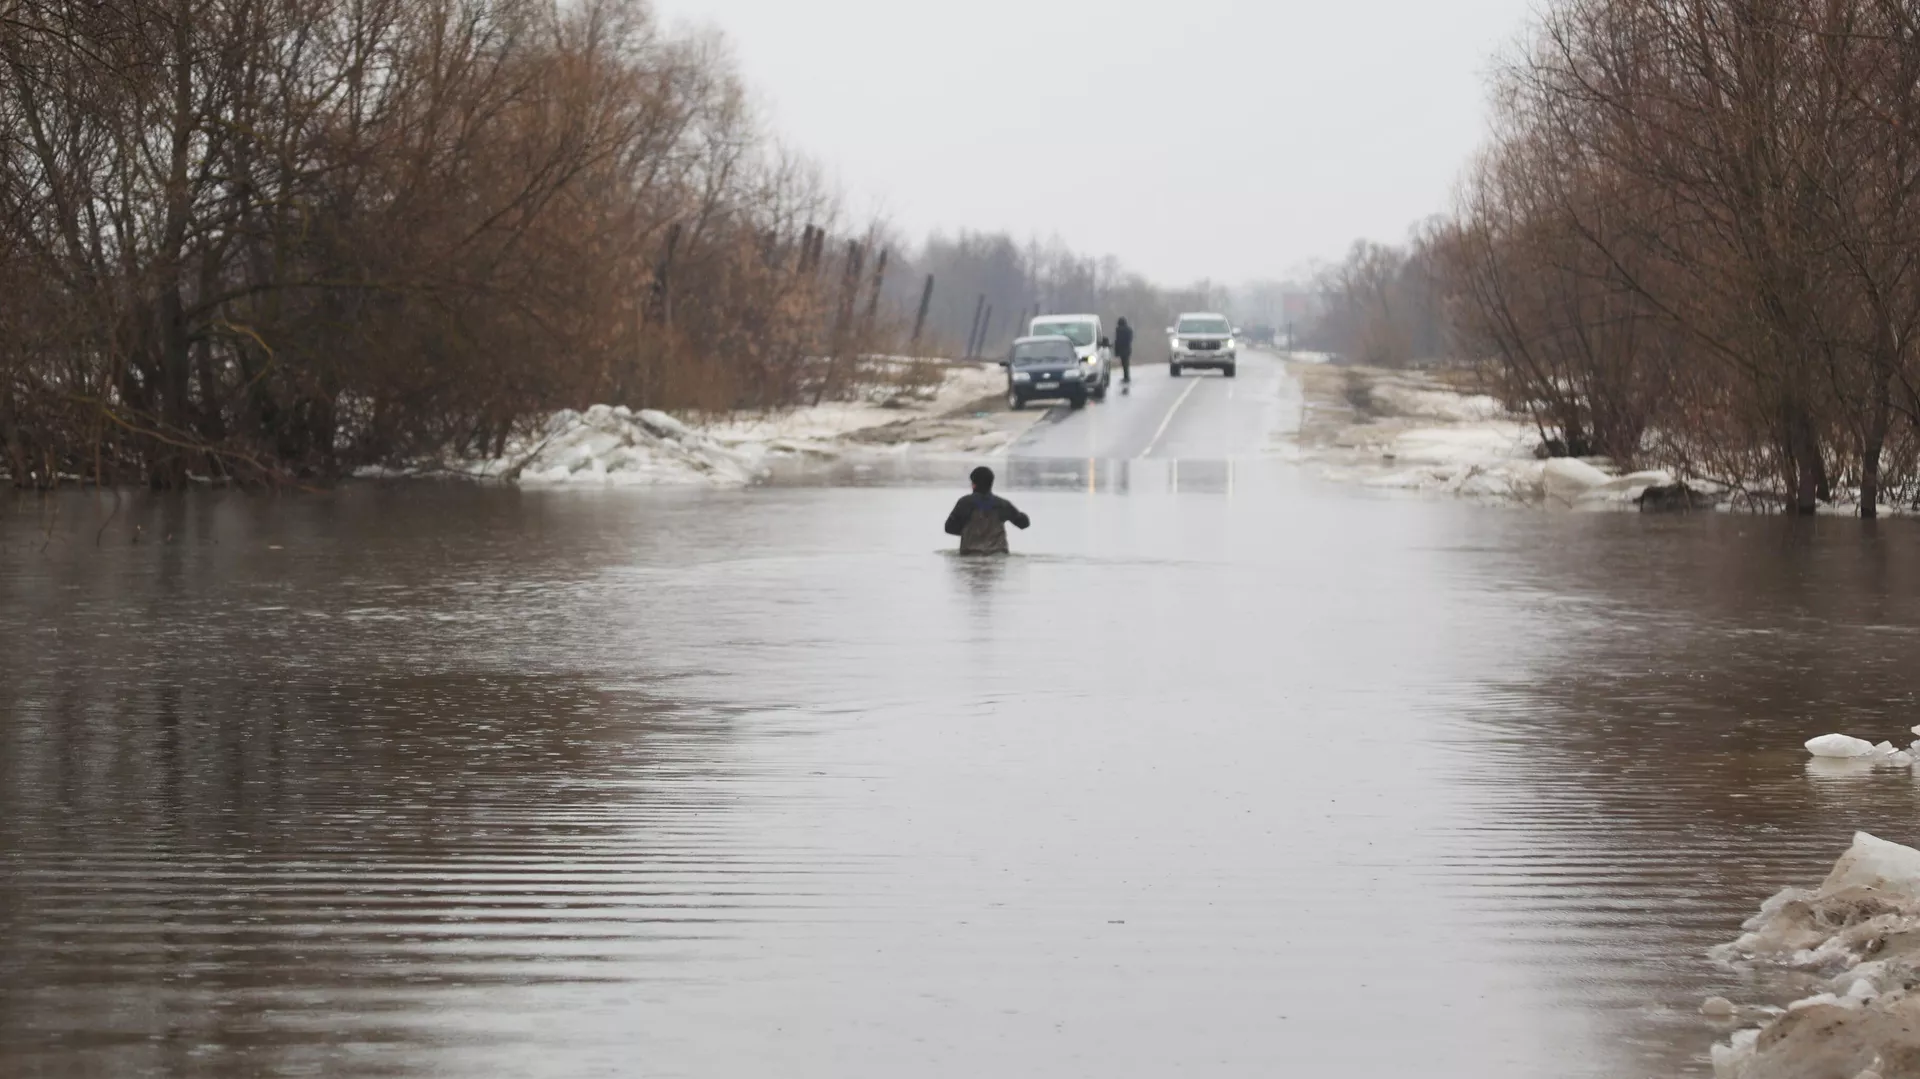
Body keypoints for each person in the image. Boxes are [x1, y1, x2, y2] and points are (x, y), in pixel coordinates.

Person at [944, 466, 1031, 554]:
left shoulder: (965, 503)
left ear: (973, 484)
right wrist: (1019, 514)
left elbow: (949, 528)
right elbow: (1024, 524)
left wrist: (970, 533)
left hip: (970, 554)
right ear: (991, 483)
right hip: (998, 556)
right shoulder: (1002, 504)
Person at [1113, 317, 1134, 384]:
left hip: (1121, 349)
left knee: (1123, 363)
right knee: (1126, 363)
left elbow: (1117, 340)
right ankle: (1126, 376)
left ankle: (1126, 377)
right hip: (1127, 348)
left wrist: (1116, 351)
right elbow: (1130, 339)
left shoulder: (1118, 330)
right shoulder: (1129, 330)